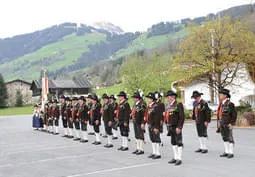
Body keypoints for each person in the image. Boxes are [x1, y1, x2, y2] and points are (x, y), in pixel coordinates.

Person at [165, 90, 185, 165]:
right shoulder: (168, 105)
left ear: (173, 97)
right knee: (173, 142)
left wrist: (179, 127)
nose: (168, 98)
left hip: (176, 126)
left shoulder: (178, 104)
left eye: (169, 97)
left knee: (179, 142)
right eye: (167, 97)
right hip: (170, 126)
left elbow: (181, 117)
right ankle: (175, 157)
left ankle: (179, 158)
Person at [217, 88, 237, 159]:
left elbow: (234, 115)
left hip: (228, 124)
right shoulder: (221, 104)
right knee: (224, 138)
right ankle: (226, 151)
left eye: (221, 94)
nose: (220, 95)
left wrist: (231, 123)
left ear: (225, 96)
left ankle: (231, 152)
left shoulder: (230, 104)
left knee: (230, 138)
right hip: (222, 123)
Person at [144, 92, 162, 159]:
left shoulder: (156, 106)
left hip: (155, 125)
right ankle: (154, 152)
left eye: (148, 98)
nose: (147, 100)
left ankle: (158, 153)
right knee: (152, 139)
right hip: (150, 125)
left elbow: (157, 118)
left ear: (152, 99)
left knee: (156, 139)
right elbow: (146, 116)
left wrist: (156, 127)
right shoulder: (149, 106)